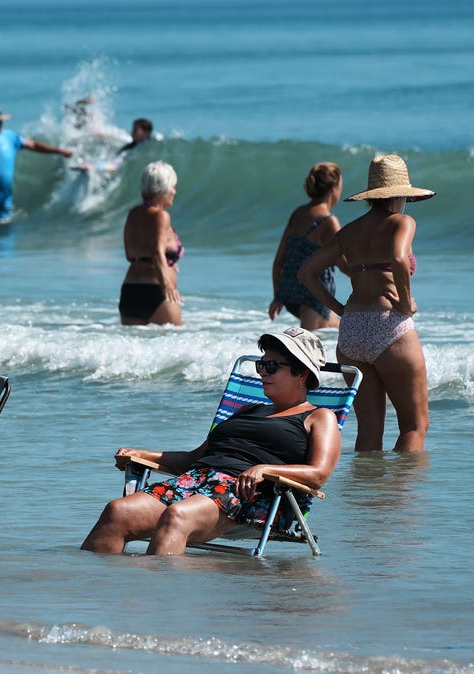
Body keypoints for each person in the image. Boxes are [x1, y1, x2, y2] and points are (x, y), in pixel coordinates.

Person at [81, 328, 342, 555]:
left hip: (251, 494)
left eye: (272, 366)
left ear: (302, 374)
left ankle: (158, 602)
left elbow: (318, 475)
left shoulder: (318, 417)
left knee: (177, 516)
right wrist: (144, 454)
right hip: (195, 481)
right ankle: (97, 595)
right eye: (261, 365)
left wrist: (266, 469)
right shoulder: (246, 411)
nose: (263, 372)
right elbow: (193, 459)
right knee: (117, 512)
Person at [298, 154, 434, 452]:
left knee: (369, 434)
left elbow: (306, 272)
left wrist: (340, 310)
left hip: (351, 333)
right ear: (400, 194)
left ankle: (367, 496)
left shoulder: (350, 231)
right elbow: (399, 258)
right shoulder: (403, 221)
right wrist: (407, 301)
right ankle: (399, 497)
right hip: (389, 328)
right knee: (414, 426)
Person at [268, 162, 345, 330]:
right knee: (307, 351)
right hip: (314, 297)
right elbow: (344, 265)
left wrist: (278, 297)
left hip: (291, 296)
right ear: (333, 188)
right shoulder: (329, 221)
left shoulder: (298, 213)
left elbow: (279, 261)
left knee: (340, 328)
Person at [119, 161, 184, 325]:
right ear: (163, 189)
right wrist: (168, 285)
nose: (174, 191)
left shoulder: (132, 214)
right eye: (172, 186)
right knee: (175, 344)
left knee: (134, 348)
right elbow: (156, 252)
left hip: (130, 291)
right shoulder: (161, 216)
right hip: (156, 291)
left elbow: (130, 254)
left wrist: (169, 261)